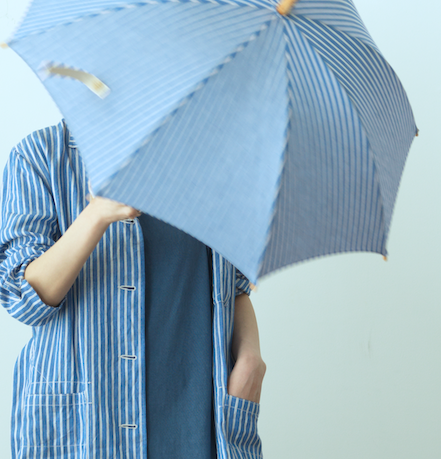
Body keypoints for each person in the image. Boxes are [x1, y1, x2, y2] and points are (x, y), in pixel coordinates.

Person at [0, 120, 266, 458]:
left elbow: (236, 284)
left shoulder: (208, 160)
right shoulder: (41, 156)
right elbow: (23, 298)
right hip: (88, 427)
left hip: (196, 425)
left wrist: (251, 360)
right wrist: (96, 214)